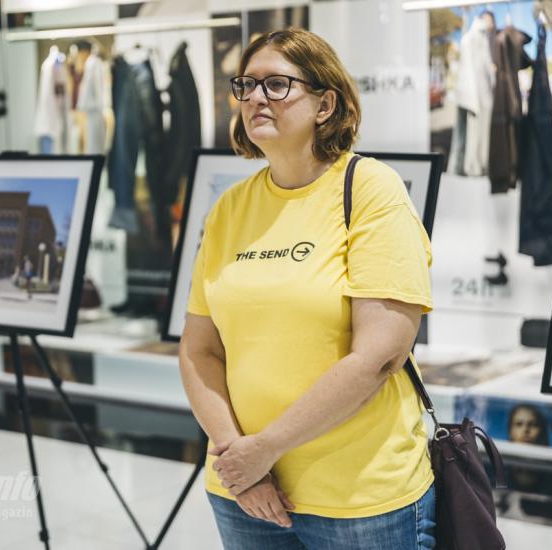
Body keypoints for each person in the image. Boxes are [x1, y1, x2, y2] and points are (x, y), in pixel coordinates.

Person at [179, 29, 435, 549]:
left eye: (276, 85)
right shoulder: (229, 208)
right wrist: (238, 457)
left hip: (358, 498)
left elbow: (380, 356)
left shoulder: (370, 189)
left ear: (326, 103)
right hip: (243, 490)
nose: (254, 98)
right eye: (246, 85)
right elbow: (198, 348)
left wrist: (264, 449)